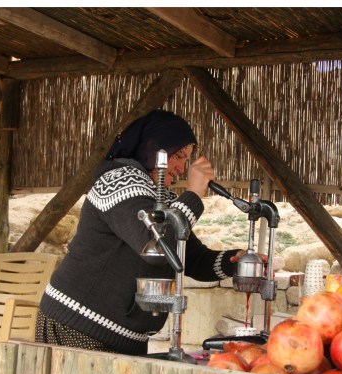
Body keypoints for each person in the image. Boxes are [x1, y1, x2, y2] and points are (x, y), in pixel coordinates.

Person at [35, 109, 248, 356]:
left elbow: (190, 257)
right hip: (79, 327)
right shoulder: (117, 182)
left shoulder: (158, 198)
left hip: (123, 338)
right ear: (154, 149)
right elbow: (156, 247)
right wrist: (193, 196)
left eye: (186, 159)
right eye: (178, 156)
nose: (181, 168)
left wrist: (236, 261)